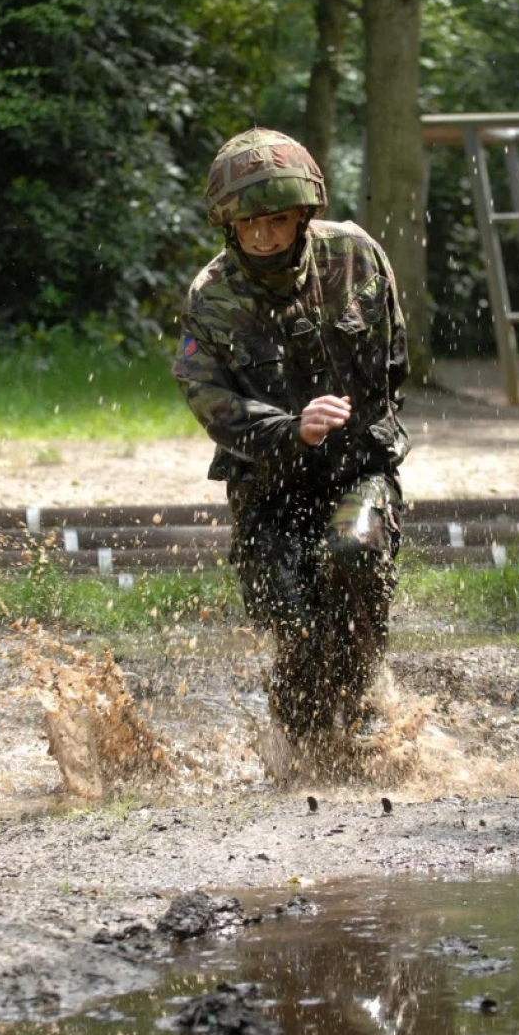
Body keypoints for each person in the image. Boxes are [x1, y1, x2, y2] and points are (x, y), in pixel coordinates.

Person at [173, 127, 410, 758]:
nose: (263, 236)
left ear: (303, 214)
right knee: (297, 629)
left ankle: (366, 699)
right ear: (228, 223)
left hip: (357, 467)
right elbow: (206, 397)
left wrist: (362, 438)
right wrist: (288, 429)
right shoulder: (212, 295)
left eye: (277, 219)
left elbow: (393, 359)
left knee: (355, 551)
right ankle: (302, 742)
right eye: (248, 223)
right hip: (267, 483)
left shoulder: (357, 256)